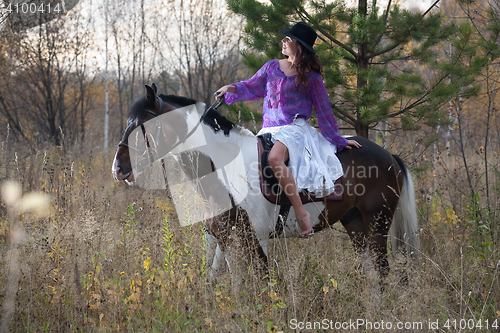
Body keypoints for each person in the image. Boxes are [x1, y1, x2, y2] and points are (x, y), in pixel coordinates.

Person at [216, 22, 361, 237]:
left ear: (299, 46)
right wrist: (231, 88)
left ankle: (302, 215)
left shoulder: (312, 78)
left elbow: (324, 112)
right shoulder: (272, 67)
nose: (283, 41)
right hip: (269, 130)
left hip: (295, 128)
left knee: (275, 159)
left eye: (288, 39)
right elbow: (252, 86)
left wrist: (339, 141)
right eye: (284, 38)